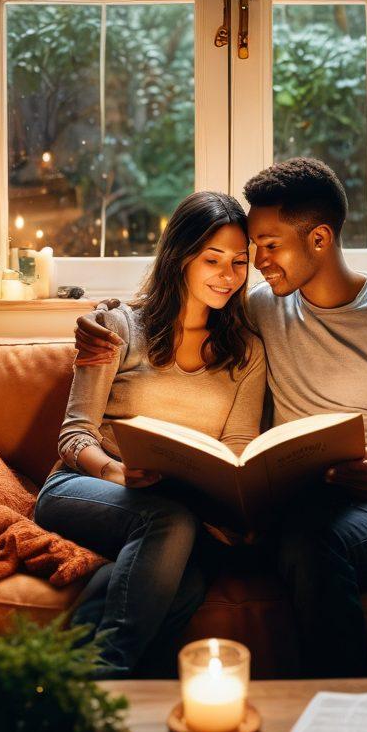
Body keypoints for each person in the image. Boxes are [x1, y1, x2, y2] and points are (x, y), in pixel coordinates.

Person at [76, 159, 367, 677]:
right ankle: (75, 683)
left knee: (307, 541)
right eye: (251, 250)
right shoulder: (261, 309)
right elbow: (180, 299)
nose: (255, 262)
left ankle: (341, 710)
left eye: (268, 245)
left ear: (320, 239)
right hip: (292, 500)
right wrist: (106, 318)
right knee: (186, 561)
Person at [35, 191, 266, 678]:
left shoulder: (246, 352)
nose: (228, 275)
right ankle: (109, 676)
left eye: (240, 262)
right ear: (181, 257)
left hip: (181, 507)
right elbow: (74, 436)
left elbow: (239, 449)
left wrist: (236, 499)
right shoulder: (116, 326)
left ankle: (74, 684)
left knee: (187, 580)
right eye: (213, 260)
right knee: (171, 525)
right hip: (85, 487)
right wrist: (119, 472)